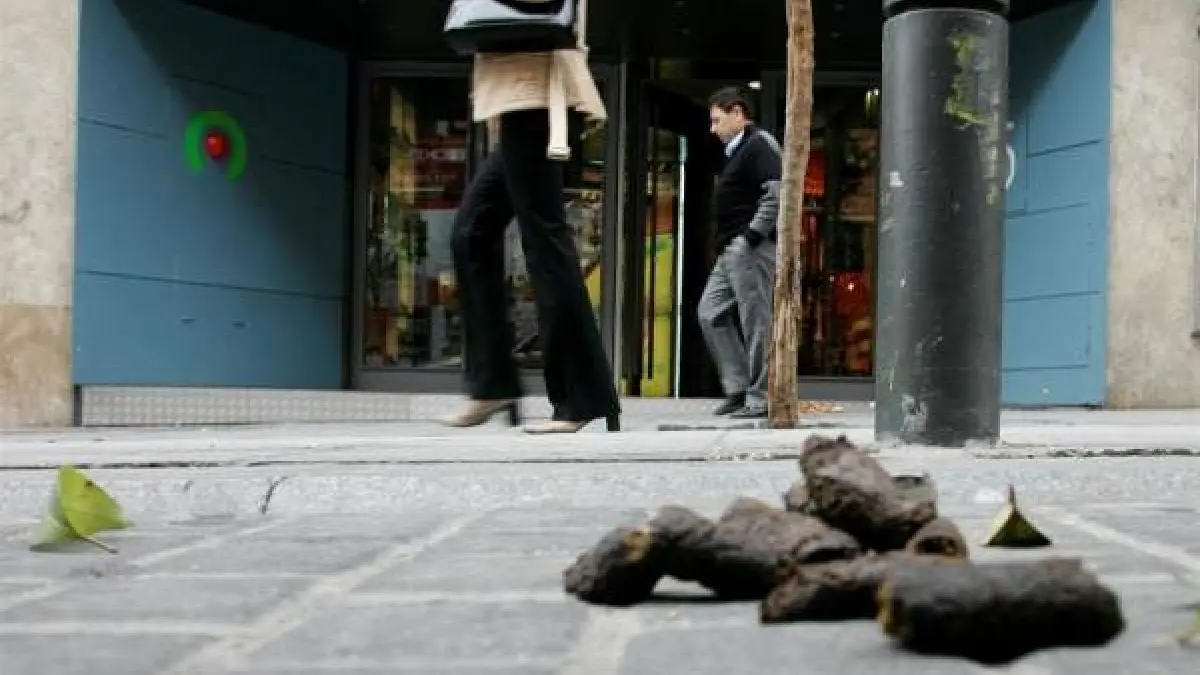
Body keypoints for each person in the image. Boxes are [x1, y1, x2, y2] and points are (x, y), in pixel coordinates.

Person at [440, 0, 621, 434]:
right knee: (472, 233)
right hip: (520, 100)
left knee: (545, 243)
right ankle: (493, 383)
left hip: (540, 100)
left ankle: (578, 398)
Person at [697, 87, 783, 419]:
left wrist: (751, 236)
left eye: (717, 120)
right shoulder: (739, 150)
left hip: (749, 248)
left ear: (737, 113)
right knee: (710, 312)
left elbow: (776, 194)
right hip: (733, 249)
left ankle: (760, 398)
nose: (713, 129)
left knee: (756, 321)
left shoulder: (759, 145)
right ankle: (738, 387)